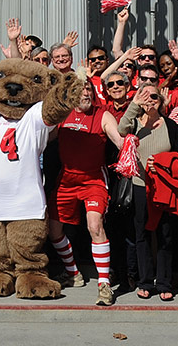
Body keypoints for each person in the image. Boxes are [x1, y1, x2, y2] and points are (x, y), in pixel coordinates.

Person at [45, 81, 122, 305]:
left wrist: (126, 145)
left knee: (95, 226)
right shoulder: (63, 114)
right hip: (67, 178)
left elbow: (117, 138)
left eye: (89, 89)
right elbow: (44, 138)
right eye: (81, 90)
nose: (86, 93)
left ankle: (104, 284)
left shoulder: (103, 114)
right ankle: (73, 273)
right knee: (53, 230)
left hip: (93, 179)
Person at [119, 83, 178, 301]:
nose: (150, 100)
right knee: (142, 235)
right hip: (140, 187)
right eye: (145, 96)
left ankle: (164, 282)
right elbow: (121, 130)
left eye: (154, 97)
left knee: (165, 235)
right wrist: (134, 105)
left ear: (162, 99)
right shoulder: (135, 124)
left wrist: (162, 163)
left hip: (165, 189)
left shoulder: (171, 125)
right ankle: (145, 281)